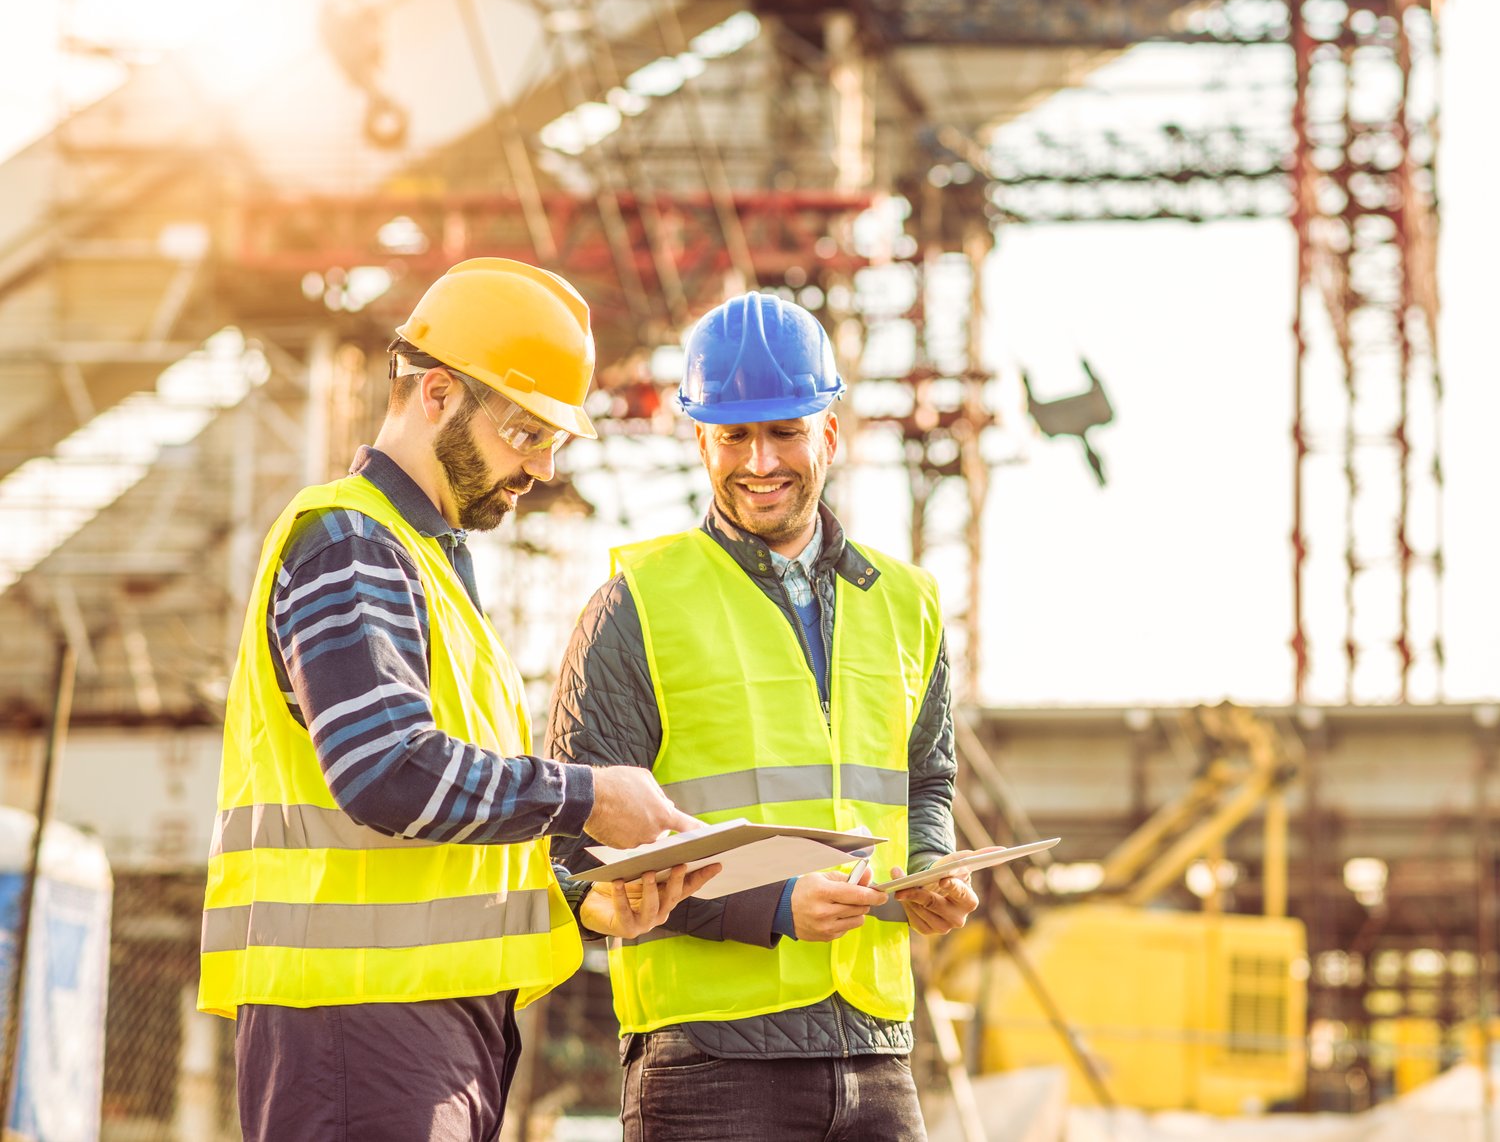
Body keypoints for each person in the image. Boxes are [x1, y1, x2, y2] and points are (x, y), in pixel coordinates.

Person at [198, 258, 717, 1142]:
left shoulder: (423, 563)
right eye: (526, 432)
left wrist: (583, 901)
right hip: (358, 1031)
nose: (543, 467)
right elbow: (390, 774)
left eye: (555, 440)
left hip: (417, 1029)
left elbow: (439, 843)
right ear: (437, 393)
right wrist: (593, 798)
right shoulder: (351, 542)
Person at [549, 291, 983, 1141]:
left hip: (876, 1053)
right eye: (733, 436)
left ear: (829, 429)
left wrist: (929, 869)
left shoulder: (910, 602)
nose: (759, 462)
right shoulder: (637, 605)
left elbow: (926, 777)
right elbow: (583, 852)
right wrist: (775, 906)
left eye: (784, 431)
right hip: (707, 1064)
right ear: (699, 438)